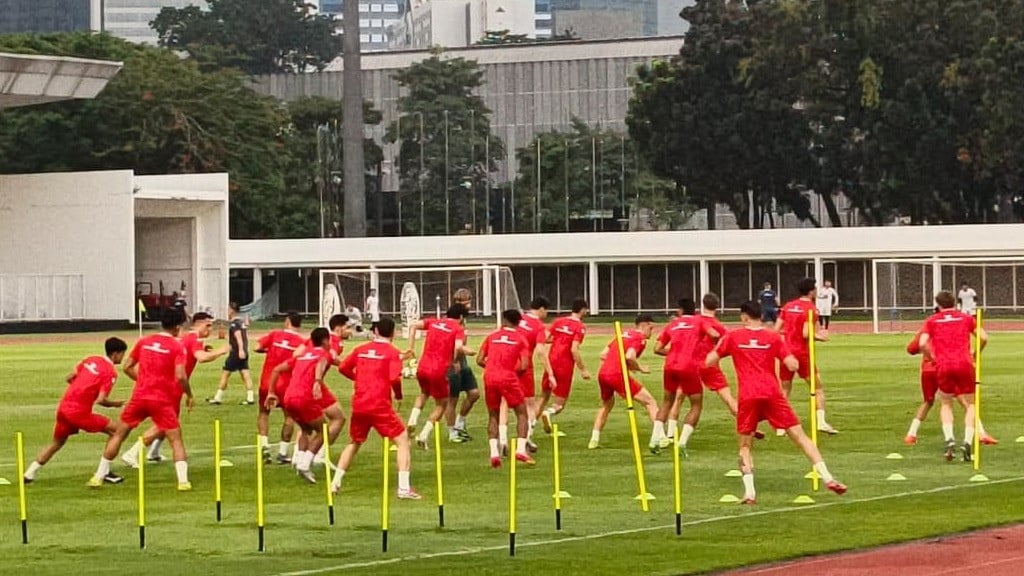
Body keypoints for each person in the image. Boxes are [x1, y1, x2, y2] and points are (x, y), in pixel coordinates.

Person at [707, 300, 846, 504]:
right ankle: (827, 477)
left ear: (744, 316)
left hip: (748, 395)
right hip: (772, 393)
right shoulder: (773, 337)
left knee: (745, 446)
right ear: (761, 316)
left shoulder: (733, 336)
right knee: (800, 436)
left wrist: (719, 351)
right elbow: (791, 363)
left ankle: (750, 493)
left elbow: (710, 361)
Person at [89, 308, 194, 490]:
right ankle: (183, 481)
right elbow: (181, 376)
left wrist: (144, 380)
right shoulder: (177, 347)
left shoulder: (144, 341)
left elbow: (127, 366)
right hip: (162, 400)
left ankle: (98, 476)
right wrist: (189, 394)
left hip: (139, 397)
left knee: (119, 434)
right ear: (178, 327)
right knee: (175, 439)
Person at [332, 317, 421, 499]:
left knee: (354, 442)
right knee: (403, 440)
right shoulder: (392, 352)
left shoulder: (361, 349)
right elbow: (394, 377)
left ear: (376, 332)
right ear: (394, 333)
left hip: (359, 403)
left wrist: (358, 379)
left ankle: (335, 482)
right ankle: (403, 488)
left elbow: (342, 368)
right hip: (379, 404)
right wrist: (398, 395)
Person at [24, 338, 129, 484]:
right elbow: (101, 399)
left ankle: (29, 473)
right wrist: (115, 404)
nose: (123, 357)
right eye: (123, 354)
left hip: (64, 407)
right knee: (118, 431)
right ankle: (102, 473)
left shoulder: (91, 359)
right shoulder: (110, 372)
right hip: (79, 412)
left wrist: (81, 389)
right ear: (116, 354)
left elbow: (70, 377)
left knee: (57, 442)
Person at [131, 312, 229, 465]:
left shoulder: (185, 338)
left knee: (171, 420)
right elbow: (201, 357)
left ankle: (154, 452)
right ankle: (134, 452)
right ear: (198, 324)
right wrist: (221, 351)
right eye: (208, 325)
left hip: (170, 384)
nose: (210, 329)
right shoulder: (194, 337)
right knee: (166, 422)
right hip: (174, 386)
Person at [904, 310, 997, 446]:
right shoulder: (952, 328)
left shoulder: (926, 329)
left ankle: (911, 434)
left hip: (929, 369)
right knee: (965, 401)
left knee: (929, 401)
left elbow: (912, 348)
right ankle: (980, 433)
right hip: (946, 366)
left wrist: (927, 353)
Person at [919, 291, 989, 462]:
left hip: (943, 365)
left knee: (946, 402)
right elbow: (984, 337)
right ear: (954, 303)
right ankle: (967, 441)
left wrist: (932, 358)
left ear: (938, 304)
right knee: (971, 404)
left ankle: (949, 438)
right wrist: (974, 353)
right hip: (964, 363)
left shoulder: (931, 321)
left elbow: (922, 344)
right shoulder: (965, 318)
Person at [267, 327, 334, 483]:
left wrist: (271, 392)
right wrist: (317, 381)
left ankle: (299, 461)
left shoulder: (301, 355)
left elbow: (277, 369)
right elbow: (321, 363)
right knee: (323, 430)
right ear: (325, 341)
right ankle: (305, 464)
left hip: (288, 397)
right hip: (305, 397)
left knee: (305, 429)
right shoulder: (323, 354)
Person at [653, 298, 720, 455]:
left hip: (670, 366)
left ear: (680, 310)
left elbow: (657, 348)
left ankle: (655, 439)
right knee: (696, 405)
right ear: (694, 309)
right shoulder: (699, 321)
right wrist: (711, 346)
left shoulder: (673, 323)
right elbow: (715, 334)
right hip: (689, 366)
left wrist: (675, 353)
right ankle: (682, 442)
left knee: (666, 402)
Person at [588, 314, 661, 450]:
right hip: (617, 374)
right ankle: (661, 437)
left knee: (606, 406)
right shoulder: (640, 338)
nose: (652, 332)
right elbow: (630, 356)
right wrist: (640, 368)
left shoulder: (623, 334)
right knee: (650, 402)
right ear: (644, 325)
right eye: (651, 328)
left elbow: (603, 354)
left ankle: (594, 439)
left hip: (603, 373)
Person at [405, 303, 473, 449]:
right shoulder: (458, 328)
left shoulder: (434, 322)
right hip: (439, 369)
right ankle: (424, 435)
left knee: (424, 393)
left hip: (422, 367)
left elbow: (413, 326)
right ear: (460, 317)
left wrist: (410, 347)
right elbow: (459, 346)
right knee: (442, 404)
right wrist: (461, 357)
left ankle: (412, 419)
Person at [776, 278, 837, 435]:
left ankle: (781, 426)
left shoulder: (788, 306)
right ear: (811, 291)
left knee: (785, 388)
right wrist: (820, 336)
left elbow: (776, 329)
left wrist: (788, 333)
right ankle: (821, 422)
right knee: (817, 388)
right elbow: (805, 333)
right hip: (802, 353)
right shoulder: (811, 308)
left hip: (785, 352)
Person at [477, 309, 534, 467]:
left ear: (504, 320)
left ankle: (494, 453)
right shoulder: (521, 339)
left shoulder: (491, 336)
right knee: (522, 413)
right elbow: (524, 365)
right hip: (508, 378)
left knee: (493, 415)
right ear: (518, 322)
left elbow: (479, 359)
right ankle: (521, 450)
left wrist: (492, 367)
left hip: (489, 377)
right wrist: (507, 370)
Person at [254, 311, 307, 464]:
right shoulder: (301, 342)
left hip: (267, 381)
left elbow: (257, 347)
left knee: (264, 413)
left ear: (287, 321)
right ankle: (283, 452)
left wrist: (268, 350)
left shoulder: (275, 335)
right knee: (289, 417)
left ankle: (264, 446)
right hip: (286, 385)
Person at [537, 298, 591, 434]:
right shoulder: (580, 327)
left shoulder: (558, 321)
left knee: (544, 396)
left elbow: (546, 338)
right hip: (564, 365)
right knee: (560, 403)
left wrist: (559, 340)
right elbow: (574, 349)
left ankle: (529, 428)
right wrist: (583, 369)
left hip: (550, 362)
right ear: (583, 310)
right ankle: (549, 413)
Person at [510, 296, 553, 454]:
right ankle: (525, 438)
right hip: (525, 365)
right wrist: (550, 372)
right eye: (547, 310)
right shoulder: (539, 326)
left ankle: (500, 442)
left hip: (507, 362)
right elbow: (541, 351)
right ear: (541, 309)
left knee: (503, 404)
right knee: (529, 404)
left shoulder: (518, 318)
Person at [445, 288, 481, 441]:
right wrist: (453, 361)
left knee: (474, 394)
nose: (468, 306)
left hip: (463, 363)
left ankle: (460, 423)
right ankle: (452, 433)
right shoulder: (452, 320)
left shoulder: (463, 320)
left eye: (469, 302)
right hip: (452, 364)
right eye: (465, 303)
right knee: (452, 399)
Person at [209, 302, 255, 405]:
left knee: (225, 374)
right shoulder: (241, 322)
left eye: (228, 309)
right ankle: (250, 397)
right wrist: (244, 349)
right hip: (243, 352)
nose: (227, 311)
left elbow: (238, 336)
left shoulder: (234, 324)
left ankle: (218, 397)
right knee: (245, 374)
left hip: (236, 353)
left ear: (232, 310)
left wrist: (240, 350)